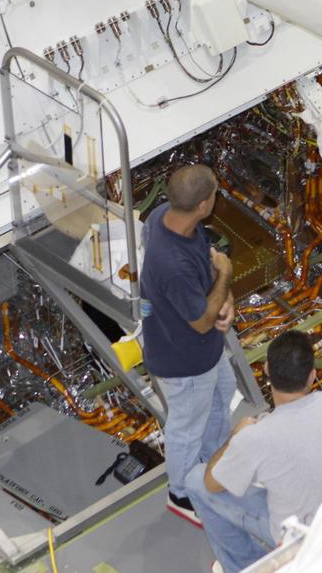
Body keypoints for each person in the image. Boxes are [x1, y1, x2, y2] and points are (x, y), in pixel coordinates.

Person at [185, 330, 322, 572]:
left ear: (266, 370)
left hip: (305, 542)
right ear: (312, 375)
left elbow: (211, 483)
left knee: (195, 480)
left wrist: (234, 438)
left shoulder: (256, 436)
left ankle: (243, 566)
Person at [140, 164, 236, 526]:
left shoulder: (163, 217)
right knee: (186, 427)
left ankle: (213, 465)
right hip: (186, 362)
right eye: (214, 194)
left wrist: (225, 299)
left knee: (221, 397)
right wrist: (226, 275)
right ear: (203, 205)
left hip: (204, 351)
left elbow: (205, 267)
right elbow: (201, 321)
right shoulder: (173, 266)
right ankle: (181, 494)